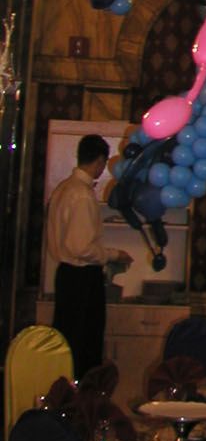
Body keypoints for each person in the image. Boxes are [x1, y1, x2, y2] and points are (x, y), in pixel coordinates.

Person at [46, 133, 131, 376]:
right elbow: (81, 247)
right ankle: (80, 404)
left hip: (66, 275)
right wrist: (113, 255)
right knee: (83, 345)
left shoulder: (63, 189)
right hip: (82, 278)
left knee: (66, 342)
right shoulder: (82, 195)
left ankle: (64, 398)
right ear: (100, 162)